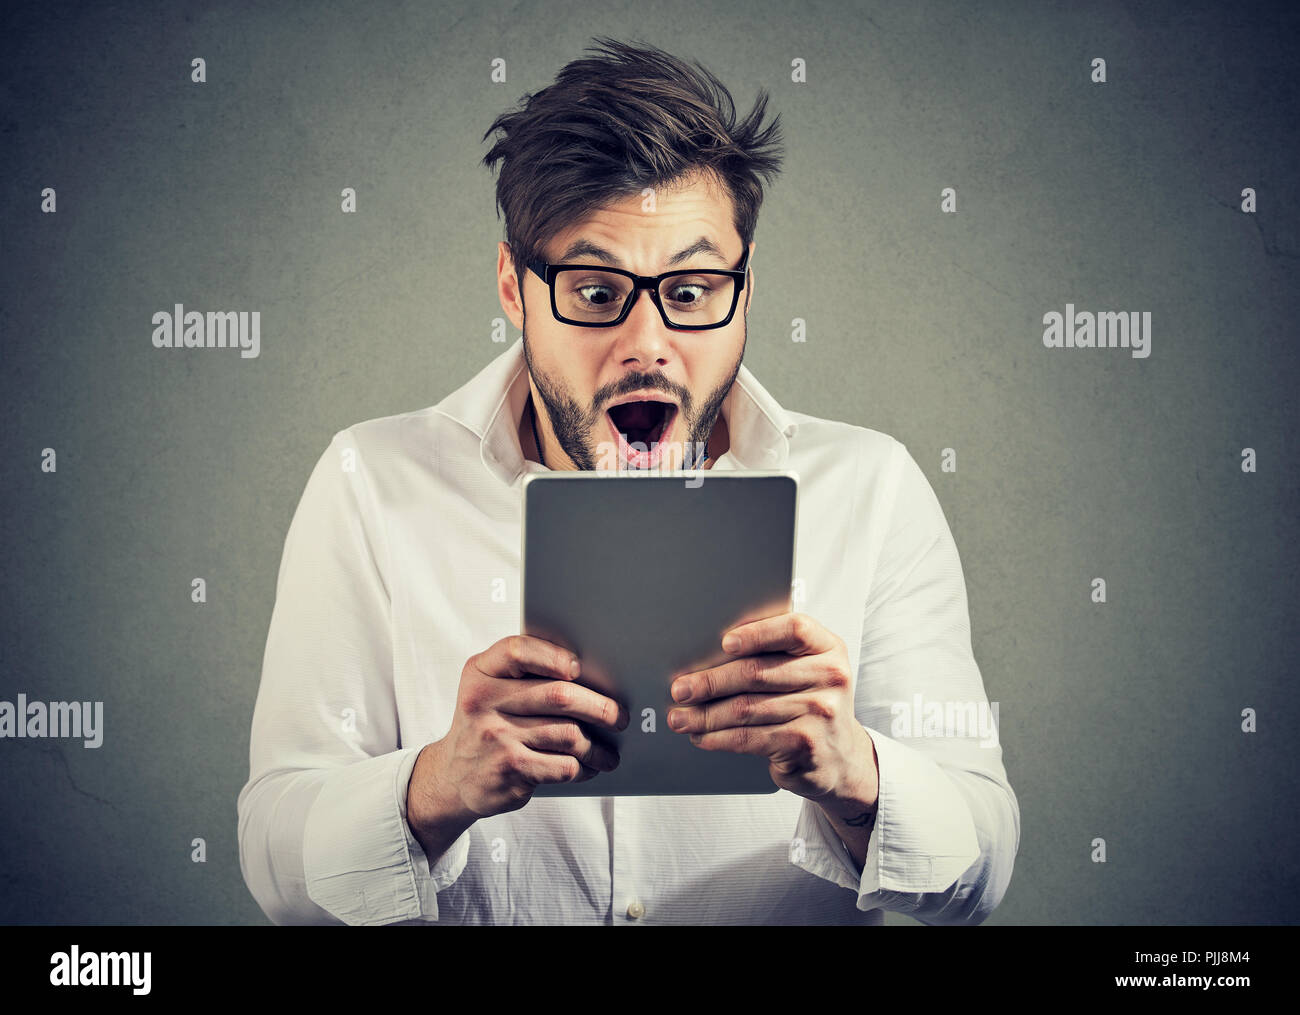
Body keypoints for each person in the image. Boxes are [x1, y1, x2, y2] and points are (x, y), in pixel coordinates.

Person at [237, 36, 1019, 926]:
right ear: (512, 285)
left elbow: (982, 870)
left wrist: (858, 776)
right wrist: (434, 785)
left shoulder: (872, 488)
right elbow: (276, 864)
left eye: (689, 291)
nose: (647, 344)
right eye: (598, 290)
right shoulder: (369, 483)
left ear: (746, 288)